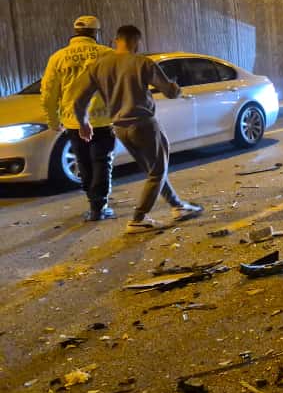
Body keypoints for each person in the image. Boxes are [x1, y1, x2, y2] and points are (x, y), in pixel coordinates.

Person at [71, 25, 202, 234]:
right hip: (143, 125)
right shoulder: (142, 63)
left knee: (154, 170)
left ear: (116, 40)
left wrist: (83, 122)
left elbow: (78, 99)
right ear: (136, 41)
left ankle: (177, 206)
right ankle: (138, 219)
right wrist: (176, 88)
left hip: (120, 128)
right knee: (158, 171)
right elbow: (169, 91)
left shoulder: (99, 65)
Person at [40, 15, 116, 220]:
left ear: (75, 32)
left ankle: (93, 203)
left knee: (83, 161)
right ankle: (99, 205)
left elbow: (48, 92)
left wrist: (53, 120)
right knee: (102, 160)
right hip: (102, 119)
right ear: (95, 33)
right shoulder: (107, 54)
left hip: (73, 120)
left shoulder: (58, 57)